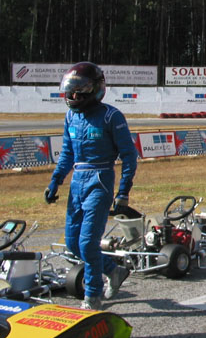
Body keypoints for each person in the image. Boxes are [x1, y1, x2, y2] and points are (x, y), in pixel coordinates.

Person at [45, 62, 138, 310]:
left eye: (79, 91)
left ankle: (93, 297)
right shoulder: (70, 116)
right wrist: (55, 182)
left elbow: (129, 156)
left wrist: (123, 193)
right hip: (78, 181)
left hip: (100, 180)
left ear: (95, 90)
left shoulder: (111, 116)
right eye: (70, 91)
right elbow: (66, 154)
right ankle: (113, 271)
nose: (73, 96)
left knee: (88, 242)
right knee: (73, 243)